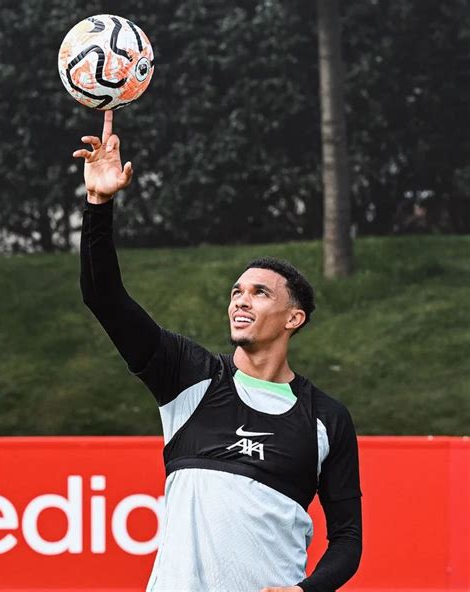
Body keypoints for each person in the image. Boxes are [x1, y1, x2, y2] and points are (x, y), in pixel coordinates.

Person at [74, 111, 362, 592]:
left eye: (260, 292)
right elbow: (104, 298)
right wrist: (98, 203)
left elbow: (348, 540)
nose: (240, 299)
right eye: (236, 291)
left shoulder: (325, 419)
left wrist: (304, 591)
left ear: (295, 318)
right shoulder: (189, 376)